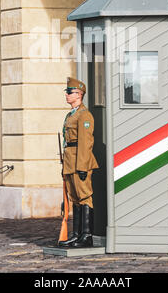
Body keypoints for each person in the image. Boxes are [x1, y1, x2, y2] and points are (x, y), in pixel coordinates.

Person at [58, 77, 99, 248]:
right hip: (70, 161)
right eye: (67, 92)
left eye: (70, 92)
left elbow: (85, 142)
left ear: (79, 94)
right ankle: (76, 234)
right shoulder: (71, 115)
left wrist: (82, 166)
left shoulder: (84, 115)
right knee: (75, 198)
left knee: (84, 197)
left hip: (80, 162)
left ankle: (86, 235)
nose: (67, 95)